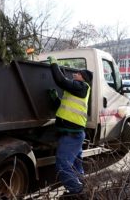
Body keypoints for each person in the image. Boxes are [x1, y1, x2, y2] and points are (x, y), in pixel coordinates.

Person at [47, 56, 93, 198]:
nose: (75, 74)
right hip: (75, 134)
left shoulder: (82, 87)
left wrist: (54, 64)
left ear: (83, 78)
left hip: (72, 135)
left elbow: (60, 80)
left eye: (78, 74)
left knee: (62, 164)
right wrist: (56, 100)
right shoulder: (77, 89)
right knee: (75, 165)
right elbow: (65, 108)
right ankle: (83, 185)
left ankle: (76, 191)